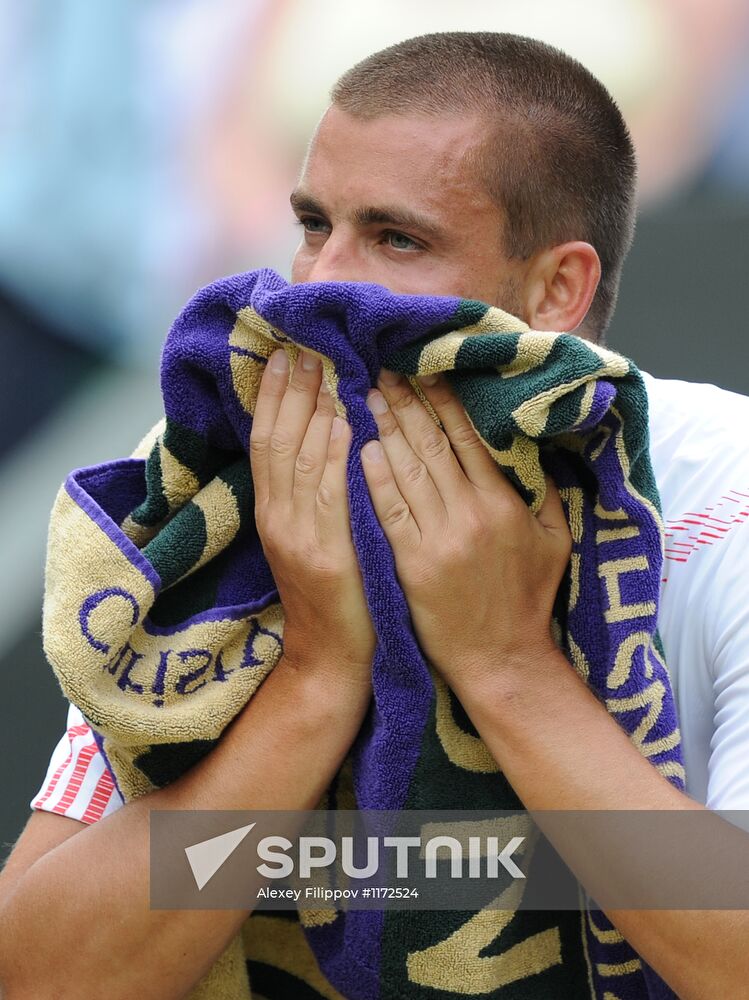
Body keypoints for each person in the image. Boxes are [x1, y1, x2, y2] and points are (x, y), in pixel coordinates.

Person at [2, 30, 749, 1000]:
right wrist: (313, 678)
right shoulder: (230, 482)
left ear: (555, 288)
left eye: (397, 239)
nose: (317, 287)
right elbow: (37, 978)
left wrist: (506, 668)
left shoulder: (719, 496)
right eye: (314, 224)